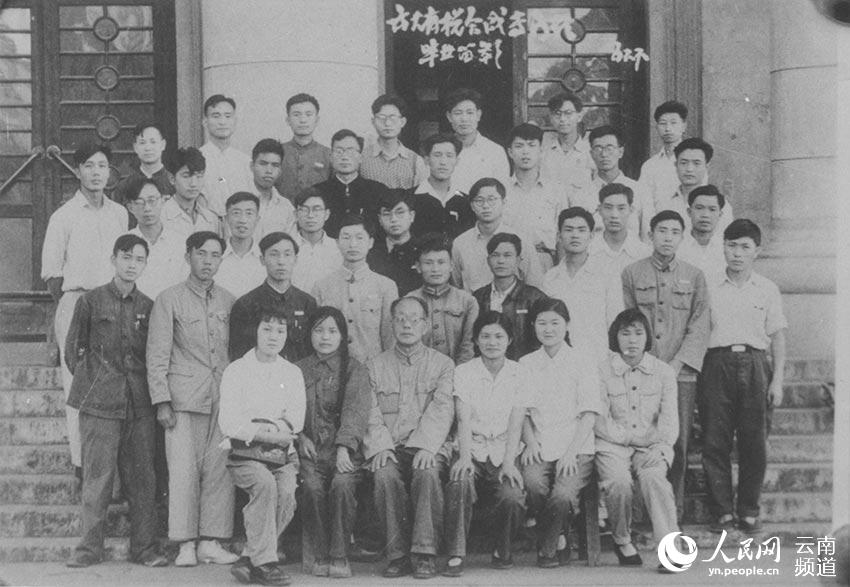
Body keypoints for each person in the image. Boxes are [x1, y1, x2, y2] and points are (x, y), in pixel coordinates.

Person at [64, 234, 167, 568]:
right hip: (100, 404)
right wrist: (98, 383)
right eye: (126, 257)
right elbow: (73, 351)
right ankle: (88, 550)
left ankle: (145, 549)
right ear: (113, 260)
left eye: (139, 259)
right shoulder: (90, 301)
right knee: (97, 479)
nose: (132, 264)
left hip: (139, 404)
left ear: (145, 264)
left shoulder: (149, 306)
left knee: (143, 479)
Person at [146, 231, 238, 567]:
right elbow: (157, 353)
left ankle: (211, 542)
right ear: (188, 256)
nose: (208, 261)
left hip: (223, 398)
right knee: (183, 472)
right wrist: (162, 400)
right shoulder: (168, 299)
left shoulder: (230, 301)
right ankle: (185, 543)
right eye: (201, 253)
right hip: (183, 399)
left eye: (215, 255)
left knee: (219, 470)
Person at [41, 142, 129, 474]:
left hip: (114, 303)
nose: (96, 173)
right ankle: (82, 464)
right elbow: (52, 275)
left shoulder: (119, 214)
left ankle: (111, 466)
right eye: (89, 166)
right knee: (78, 383)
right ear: (77, 171)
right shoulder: (63, 216)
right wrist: (77, 308)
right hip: (78, 302)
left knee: (112, 381)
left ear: (110, 171)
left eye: (102, 166)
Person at [699, 219, 787, 535]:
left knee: (755, 443)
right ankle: (722, 511)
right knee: (715, 440)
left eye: (744, 247)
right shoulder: (708, 285)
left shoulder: (767, 288)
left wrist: (777, 380)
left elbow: (777, 336)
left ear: (757, 251)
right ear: (723, 247)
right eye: (731, 246)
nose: (737, 253)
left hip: (755, 365)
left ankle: (749, 510)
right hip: (716, 363)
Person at [621, 210, 710, 521]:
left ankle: (675, 514)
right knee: (640, 439)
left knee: (677, 443)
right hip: (641, 369)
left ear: (682, 237)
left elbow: (700, 325)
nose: (667, 237)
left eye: (674, 232)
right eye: (662, 231)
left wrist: (676, 363)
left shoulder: (694, 276)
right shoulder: (632, 273)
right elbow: (628, 322)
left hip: (680, 372)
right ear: (650, 235)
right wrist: (641, 361)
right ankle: (641, 514)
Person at [362, 296, 455, 579]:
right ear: (392, 324)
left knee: (427, 472)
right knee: (384, 475)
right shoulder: (374, 365)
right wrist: (380, 447)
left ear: (425, 326)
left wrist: (427, 446)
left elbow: (442, 409)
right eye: (400, 319)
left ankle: (425, 553)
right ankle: (397, 555)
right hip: (389, 445)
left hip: (429, 445)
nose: (407, 325)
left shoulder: (443, 364)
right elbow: (370, 411)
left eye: (414, 320)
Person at [219, 306, 305, 587]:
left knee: (287, 493)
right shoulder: (237, 370)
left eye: (280, 330)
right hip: (245, 453)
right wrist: (265, 433)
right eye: (267, 329)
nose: (273, 336)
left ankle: (249, 558)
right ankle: (266, 564)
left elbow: (296, 418)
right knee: (265, 484)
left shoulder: (291, 372)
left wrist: (275, 431)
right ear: (255, 331)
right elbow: (229, 422)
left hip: (282, 453)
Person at [443, 311, 529, 577]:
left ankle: (502, 548)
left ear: (509, 340)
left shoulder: (519, 372)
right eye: (486, 336)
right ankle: (456, 553)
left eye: (499, 337)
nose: (492, 342)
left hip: (505, 449)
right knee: (460, 482)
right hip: (472, 446)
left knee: (512, 495)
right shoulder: (464, 372)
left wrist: (509, 462)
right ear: (476, 340)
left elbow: (517, 420)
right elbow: (463, 417)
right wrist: (465, 457)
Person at [517, 298, 600, 568]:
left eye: (555, 323)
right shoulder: (526, 363)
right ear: (533, 326)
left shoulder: (583, 361)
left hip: (576, 446)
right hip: (539, 442)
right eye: (542, 323)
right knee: (532, 483)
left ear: (567, 325)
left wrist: (571, 453)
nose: (548, 329)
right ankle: (560, 534)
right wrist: (530, 442)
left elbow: (589, 413)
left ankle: (548, 548)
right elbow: (522, 412)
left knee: (564, 495)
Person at [595, 309, 680, 572]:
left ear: (647, 337)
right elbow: (600, 419)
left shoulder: (663, 372)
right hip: (612, 444)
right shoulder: (602, 371)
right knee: (618, 482)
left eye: (638, 333)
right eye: (625, 333)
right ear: (615, 337)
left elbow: (669, 418)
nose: (632, 340)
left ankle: (670, 549)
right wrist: (630, 438)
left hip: (652, 445)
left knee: (654, 478)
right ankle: (622, 539)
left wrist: (662, 446)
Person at [297, 307, 371, 578]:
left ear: (342, 336)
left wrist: (344, 448)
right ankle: (320, 553)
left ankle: (339, 554)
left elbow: (355, 411)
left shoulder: (354, 369)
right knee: (312, 487)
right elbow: (286, 409)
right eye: (318, 330)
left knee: (342, 485)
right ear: (310, 334)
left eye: (332, 331)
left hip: (344, 451)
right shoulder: (298, 369)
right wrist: (299, 436)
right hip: (310, 450)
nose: (325, 337)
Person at [312, 214, 398, 363]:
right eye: (346, 238)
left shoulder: (385, 286)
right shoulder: (322, 286)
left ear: (370, 242)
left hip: (372, 367)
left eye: (359, 238)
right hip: (332, 366)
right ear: (337, 242)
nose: (352, 244)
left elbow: (390, 337)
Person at [541, 208, 623, 362]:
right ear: (559, 236)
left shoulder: (607, 273)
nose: (575, 235)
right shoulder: (550, 278)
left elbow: (616, 322)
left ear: (591, 236)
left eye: (581, 230)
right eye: (568, 230)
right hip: (559, 361)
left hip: (596, 360)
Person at [229, 232, 317, 363]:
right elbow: (238, 354)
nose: (281, 261)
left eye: (287, 254)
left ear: (295, 259)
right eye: (274, 254)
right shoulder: (246, 304)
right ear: (262, 260)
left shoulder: (307, 303)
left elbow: (312, 352)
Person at [451, 177, 543, 292]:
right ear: (472, 206)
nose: (485, 205)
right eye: (479, 200)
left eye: (492, 199)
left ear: (504, 202)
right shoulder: (460, 243)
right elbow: (456, 286)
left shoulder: (521, 240)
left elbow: (535, 286)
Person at [503, 122, 569, 271]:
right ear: (510, 152)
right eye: (519, 146)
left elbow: (562, 235)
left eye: (531, 145)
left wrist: (561, 272)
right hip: (509, 261)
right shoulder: (501, 190)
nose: (525, 152)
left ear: (541, 151)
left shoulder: (556, 190)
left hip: (544, 259)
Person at [472, 233, 548, 360]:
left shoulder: (535, 298)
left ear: (518, 260)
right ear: (488, 261)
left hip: (523, 367)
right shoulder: (478, 297)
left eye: (507, 255)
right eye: (495, 255)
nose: (501, 261)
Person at [409, 233, 478, 364]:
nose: (435, 269)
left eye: (441, 262)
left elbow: (468, 346)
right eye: (428, 263)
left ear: (451, 266)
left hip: (459, 371)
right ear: (418, 267)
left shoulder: (467, 301)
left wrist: (458, 372)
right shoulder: (409, 301)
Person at [580, 125, 653, 241]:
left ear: (620, 152)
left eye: (609, 148)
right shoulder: (581, 194)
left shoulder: (639, 190)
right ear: (591, 153)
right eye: (598, 148)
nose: (604, 154)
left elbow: (648, 237)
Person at [313, 129, 386, 238]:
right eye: (339, 151)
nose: (344, 157)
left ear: (360, 157)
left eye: (350, 151)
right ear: (331, 157)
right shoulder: (317, 192)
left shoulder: (377, 190)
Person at [125, 176, 188, 299]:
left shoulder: (180, 242)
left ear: (163, 201)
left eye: (152, 201)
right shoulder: (123, 243)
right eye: (139, 202)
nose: (147, 208)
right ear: (130, 207)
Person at [656, 137, 733, 234]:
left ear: (707, 166)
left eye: (696, 163)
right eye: (684, 163)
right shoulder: (664, 202)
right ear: (676, 165)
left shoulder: (720, 206)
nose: (689, 169)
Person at [443, 88, 510, 193]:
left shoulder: (495, 151)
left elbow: (502, 192)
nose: (464, 119)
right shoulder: (440, 150)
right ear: (449, 117)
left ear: (478, 115)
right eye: (458, 113)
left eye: (470, 113)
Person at [199, 94, 253, 217]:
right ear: (205, 122)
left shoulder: (245, 162)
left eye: (228, 116)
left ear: (235, 121)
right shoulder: (197, 159)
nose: (222, 122)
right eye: (216, 116)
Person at [412, 133, 474, 239]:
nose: (443, 162)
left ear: (457, 161)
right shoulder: (411, 198)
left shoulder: (466, 202)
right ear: (426, 160)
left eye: (449, 156)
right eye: (437, 155)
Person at [360, 94, 428, 189]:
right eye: (382, 117)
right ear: (373, 121)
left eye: (393, 118)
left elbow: (422, 195)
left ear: (402, 122)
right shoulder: (361, 158)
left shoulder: (415, 161)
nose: (387, 123)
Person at [587, 183, 652, 277]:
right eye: (608, 208)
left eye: (621, 208)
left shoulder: (645, 253)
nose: (614, 215)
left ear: (631, 210)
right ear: (599, 210)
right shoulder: (587, 250)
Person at [277, 93, 332, 202]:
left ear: (317, 120)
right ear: (288, 120)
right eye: (296, 114)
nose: (303, 120)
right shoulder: (277, 152)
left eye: (308, 114)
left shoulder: (328, 154)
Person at [366, 190, 422, 295]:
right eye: (387, 214)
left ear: (412, 216)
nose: (393, 219)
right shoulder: (370, 253)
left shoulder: (424, 250)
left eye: (400, 213)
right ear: (380, 219)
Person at [540, 92, 594, 197]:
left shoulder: (589, 151)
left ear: (579, 116)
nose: (562, 119)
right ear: (551, 117)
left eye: (568, 113)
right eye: (557, 113)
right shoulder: (543, 151)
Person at [290, 188, 343, 292]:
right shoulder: (286, 247)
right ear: (296, 214)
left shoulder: (339, 248)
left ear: (327, 214)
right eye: (304, 209)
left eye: (316, 209)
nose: (310, 215)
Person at [162, 147, 221, 239]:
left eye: (199, 176)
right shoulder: (161, 216)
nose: (193, 183)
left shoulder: (211, 219)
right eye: (186, 176)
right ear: (172, 179)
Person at [639, 101, 688, 212]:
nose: (668, 128)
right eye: (663, 123)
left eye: (673, 123)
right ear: (656, 127)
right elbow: (645, 205)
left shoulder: (693, 162)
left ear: (684, 126)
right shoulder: (649, 166)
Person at [215, 192, 267, 298]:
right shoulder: (215, 256)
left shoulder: (266, 259)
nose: (242, 220)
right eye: (236, 213)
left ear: (257, 220)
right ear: (226, 219)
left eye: (249, 213)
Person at [677, 184, 727, 283]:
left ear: (720, 214)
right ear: (689, 212)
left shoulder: (726, 247)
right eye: (699, 208)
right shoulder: (676, 246)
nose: (705, 215)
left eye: (712, 209)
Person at [113, 122, 174, 203]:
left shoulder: (174, 184)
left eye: (153, 142)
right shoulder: (124, 187)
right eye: (142, 143)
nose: (148, 148)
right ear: (135, 147)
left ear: (163, 145)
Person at [248, 138, 297, 239]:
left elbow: (290, 243)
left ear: (280, 171)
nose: (269, 171)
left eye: (275, 165)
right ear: (252, 166)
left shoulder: (287, 207)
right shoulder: (237, 201)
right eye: (263, 164)